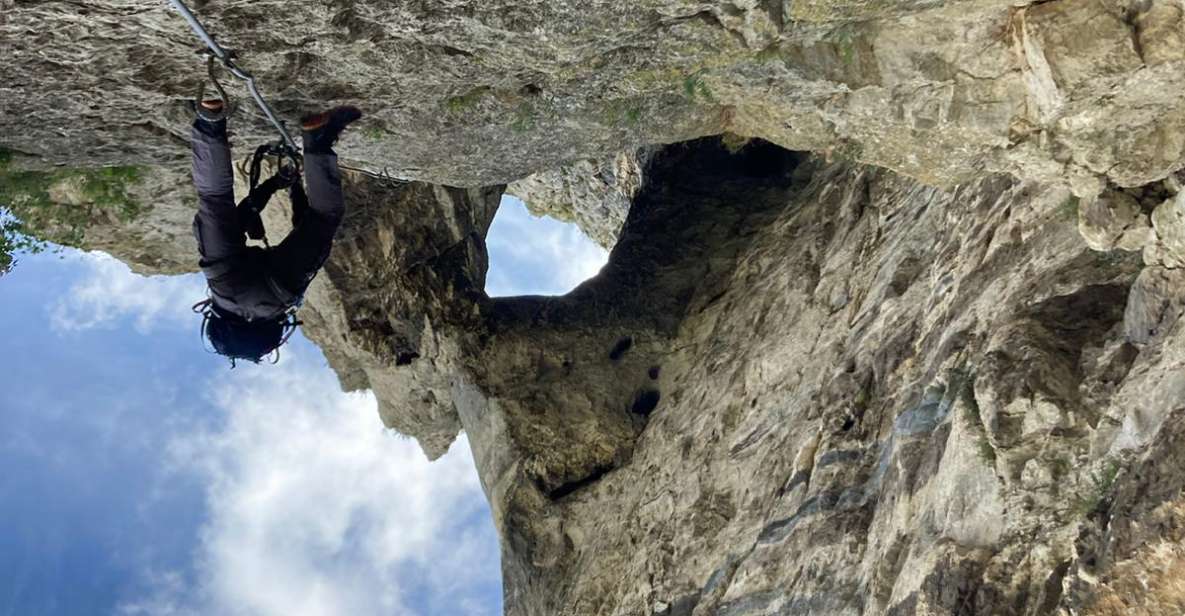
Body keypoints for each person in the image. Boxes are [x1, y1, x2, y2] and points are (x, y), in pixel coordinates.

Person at [189, 99, 361, 364]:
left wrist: (286, 187)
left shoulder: (270, 323)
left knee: (324, 217)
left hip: (277, 295)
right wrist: (274, 184)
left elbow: (307, 226)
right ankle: (210, 119)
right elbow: (241, 217)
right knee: (214, 197)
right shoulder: (223, 310)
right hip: (224, 282)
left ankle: (317, 140)